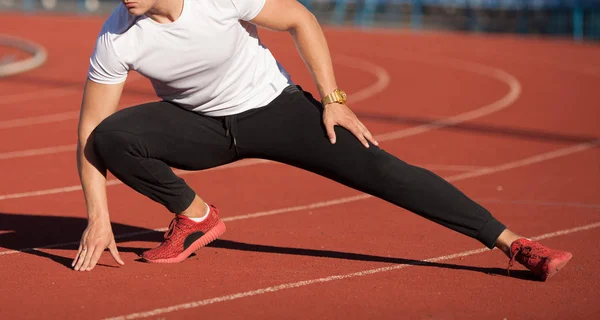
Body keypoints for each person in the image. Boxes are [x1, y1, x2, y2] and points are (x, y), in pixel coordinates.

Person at [71, 0, 572, 280]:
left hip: (275, 109)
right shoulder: (118, 36)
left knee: (384, 171)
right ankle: (196, 216)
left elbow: (300, 18)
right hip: (201, 126)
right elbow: (91, 130)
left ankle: (514, 244)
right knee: (112, 136)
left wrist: (332, 98)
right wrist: (99, 218)